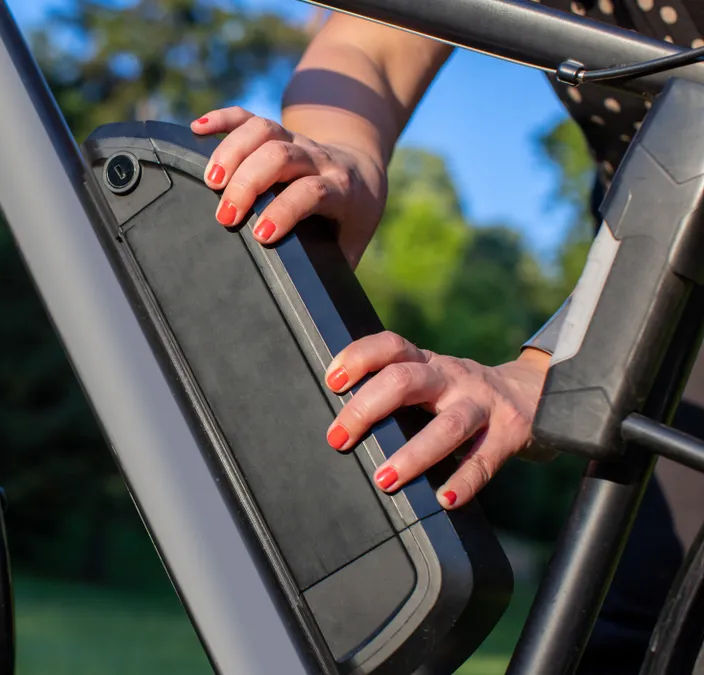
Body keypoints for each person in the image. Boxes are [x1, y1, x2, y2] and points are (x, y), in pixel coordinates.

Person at [189, 2, 704, 672]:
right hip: (654, 262)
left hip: (664, 273)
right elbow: (369, 44)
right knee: (627, 630)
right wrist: (338, 153)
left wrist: (550, 367)